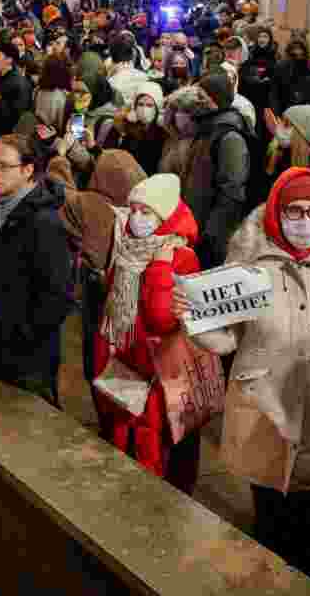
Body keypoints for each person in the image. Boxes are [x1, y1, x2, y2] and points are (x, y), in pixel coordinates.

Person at [178, 167, 310, 587]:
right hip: (264, 410)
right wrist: (192, 316)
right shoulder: (249, 262)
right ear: (277, 211)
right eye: (294, 210)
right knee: (268, 524)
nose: (305, 220)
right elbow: (224, 340)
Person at [93, 173, 202, 493]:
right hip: (125, 365)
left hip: (158, 372)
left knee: (153, 451)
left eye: (146, 212)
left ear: (165, 217)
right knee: (124, 440)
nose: (137, 219)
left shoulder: (182, 257)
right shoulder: (127, 248)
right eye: (134, 210)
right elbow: (111, 313)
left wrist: (158, 268)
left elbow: (161, 319)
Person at [0, 134, 72, 407]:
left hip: (26, 362)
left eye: (4, 167)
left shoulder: (44, 222)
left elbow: (56, 298)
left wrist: (20, 338)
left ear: (28, 170)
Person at [48, 149, 147, 428]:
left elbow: (60, 190)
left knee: (96, 354)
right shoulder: (145, 209)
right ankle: (127, 422)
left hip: (96, 289)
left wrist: (59, 158)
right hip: (132, 294)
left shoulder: (87, 204)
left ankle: (107, 419)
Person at [185, 72, 252, 268]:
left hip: (211, 234)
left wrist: (214, 232)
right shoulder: (207, 127)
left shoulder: (230, 137)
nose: (197, 101)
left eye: (201, 97)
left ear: (215, 100)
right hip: (197, 224)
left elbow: (232, 190)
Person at [106, 81, 166, 176]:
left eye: (150, 105)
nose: (144, 109)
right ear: (134, 106)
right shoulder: (125, 127)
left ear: (157, 108)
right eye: (140, 104)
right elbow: (110, 154)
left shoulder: (163, 133)